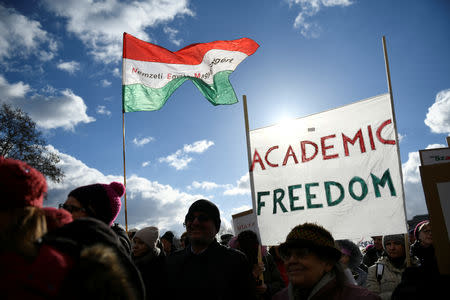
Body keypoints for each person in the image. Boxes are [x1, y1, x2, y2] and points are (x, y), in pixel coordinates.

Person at [165, 199, 256, 300]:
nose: (195, 223)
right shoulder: (172, 261)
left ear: (216, 227)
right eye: (190, 218)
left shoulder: (236, 261)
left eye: (203, 218)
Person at [273, 223, 380, 300]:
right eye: (287, 255)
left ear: (328, 262)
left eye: (302, 253)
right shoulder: (278, 298)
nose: (291, 261)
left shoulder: (362, 298)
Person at [61, 182, 132, 255]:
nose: (63, 213)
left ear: (96, 215)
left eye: (72, 208)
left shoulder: (110, 254)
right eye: (64, 207)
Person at [232, 230, 285, 299]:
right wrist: (251, 276)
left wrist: (267, 288)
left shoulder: (267, 258)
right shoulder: (234, 261)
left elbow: (280, 284)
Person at [366, 234, 418, 300]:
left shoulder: (416, 266)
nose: (392, 248)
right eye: (388, 244)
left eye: (396, 243)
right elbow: (373, 297)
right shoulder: (375, 270)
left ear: (404, 246)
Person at [132, 226, 165, 300]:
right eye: (134, 242)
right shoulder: (131, 262)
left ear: (150, 246)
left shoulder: (160, 266)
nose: (135, 246)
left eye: (141, 243)